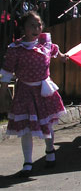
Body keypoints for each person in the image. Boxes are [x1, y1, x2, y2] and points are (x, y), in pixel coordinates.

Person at [0, 11, 68, 177]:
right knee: (26, 128)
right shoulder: (15, 49)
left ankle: (50, 152)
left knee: (48, 124)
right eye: (32, 25)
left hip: (44, 92)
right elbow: (7, 74)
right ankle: (27, 162)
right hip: (25, 92)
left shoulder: (45, 43)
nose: (37, 28)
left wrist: (63, 56)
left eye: (39, 24)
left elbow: (56, 52)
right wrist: (2, 96)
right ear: (23, 28)